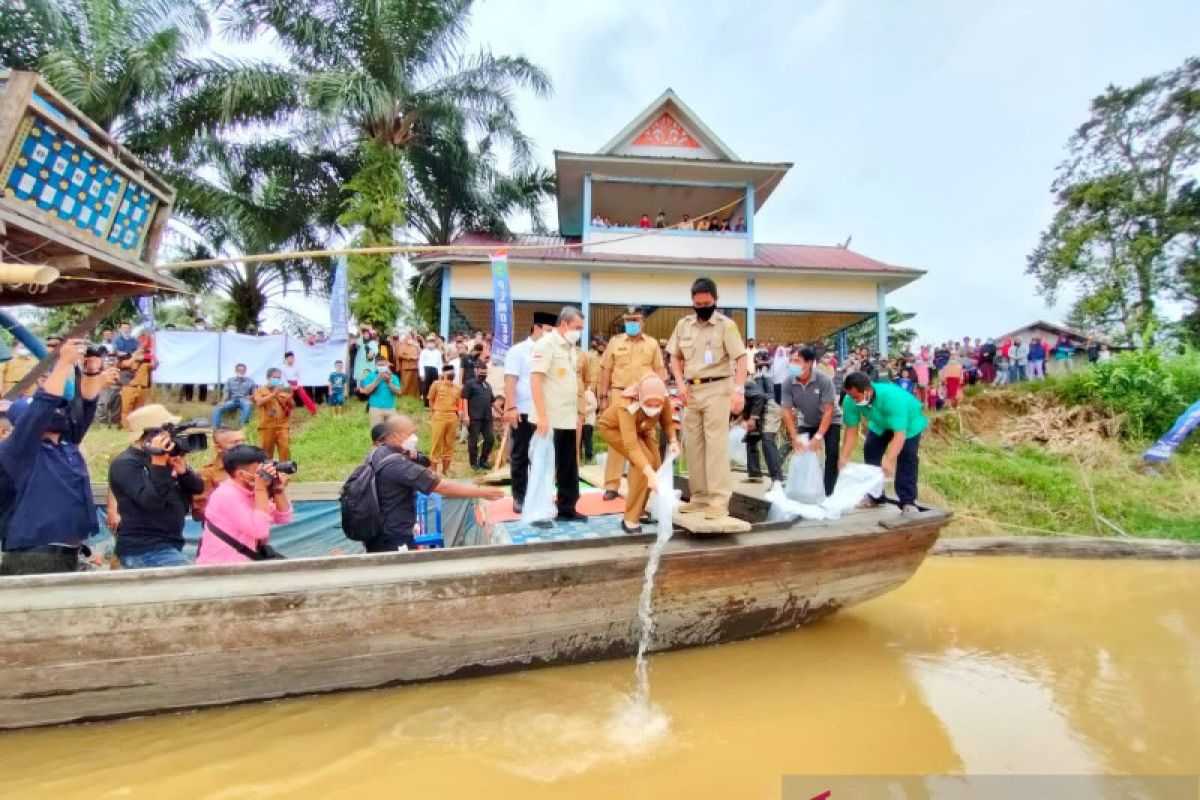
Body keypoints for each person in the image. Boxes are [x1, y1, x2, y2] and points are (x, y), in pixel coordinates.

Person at [0, 340, 116, 575]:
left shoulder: (65, 444)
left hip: (66, 554)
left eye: (60, 408)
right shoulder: (18, 451)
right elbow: (41, 409)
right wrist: (63, 363)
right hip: (33, 557)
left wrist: (91, 370)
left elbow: (84, 407)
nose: (59, 412)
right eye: (53, 410)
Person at [666, 277, 748, 520]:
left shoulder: (726, 325)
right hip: (691, 391)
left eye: (707, 302)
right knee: (694, 446)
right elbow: (674, 357)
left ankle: (718, 501)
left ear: (716, 300)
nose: (702, 307)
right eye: (698, 303)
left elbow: (741, 359)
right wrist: (679, 383)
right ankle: (699, 497)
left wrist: (738, 390)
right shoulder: (684, 325)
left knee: (715, 447)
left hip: (718, 388)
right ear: (692, 301)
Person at [362, 416, 505, 552]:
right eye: (409, 433)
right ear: (394, 436)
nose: (414, 438)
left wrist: (413, 455)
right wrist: (481, 492)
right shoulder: (398, 465)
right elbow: (442, 487)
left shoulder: (378, 454)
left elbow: (425, 460)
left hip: (377, 530)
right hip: (394, 536)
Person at [108, 404, 204, 569]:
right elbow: (151, 503)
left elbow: (197, 488)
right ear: (150, 434)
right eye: (169, 431)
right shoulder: (125, 463)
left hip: (169, 545)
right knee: (193, 583)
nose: (172, 436)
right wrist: (158, 464)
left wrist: (183, 471)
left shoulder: (165, 458)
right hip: (143, 549)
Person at [598, 306, 667, 501]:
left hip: (645, 398)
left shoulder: (652, 344)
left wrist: (660, 400)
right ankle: (612, 484)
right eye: (628, 320)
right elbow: (605, 370)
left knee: (646, 437)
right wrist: (603, 397)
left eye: (635, 320)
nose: (631, 324)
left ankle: (648, 485)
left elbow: (660, 372)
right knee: (618, 441)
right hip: (619, 394)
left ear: (642, 322)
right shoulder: (615, 342)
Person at [598, 373, 680, 533]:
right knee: (644, 463)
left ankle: (640, 510)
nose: (654, 407)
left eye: (658, 405)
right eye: (649, 403)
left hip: (642, 428)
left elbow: (668, 423)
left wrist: (673, 441)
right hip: (614, 429)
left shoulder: (663, 398)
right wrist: (649, 473)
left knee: (656, 463)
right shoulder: (627, 405)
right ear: (640, 397)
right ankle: (630, 518)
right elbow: (632, 446)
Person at [838, 371, 927, 514]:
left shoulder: (892, 398)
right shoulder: (850, 400)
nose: (853, 400)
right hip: (880, 423)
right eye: (850, 396)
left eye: (856, 397)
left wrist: (889, 460)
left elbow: (899, 434)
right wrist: (844, 456)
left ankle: (908, 501)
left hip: (909, 425)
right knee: (870, 450)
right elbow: (851, 431)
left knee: (907, 456)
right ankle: (875, 496)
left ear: (868, 390)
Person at [530, 306, 587, 524]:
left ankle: (567, 507)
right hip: (549, 418)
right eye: (576, 327)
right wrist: (542, 416)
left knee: (568, 465)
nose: (579, 332)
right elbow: (536, 380)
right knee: (544, 465)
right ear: (563, 324)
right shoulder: (546, 345)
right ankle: (538, 511)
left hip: (567, 417)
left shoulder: (570, 347)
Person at [195, 445, 293, 564]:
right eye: (258, 471)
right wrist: (261, 489)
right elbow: (259, 531)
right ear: (241, 474)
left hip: (242, 565)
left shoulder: (249, 491)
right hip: (219, 568)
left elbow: (283, 518)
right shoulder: (226, 495)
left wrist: (278, 490)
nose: (261, 475)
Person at [503, 312, 557, 513]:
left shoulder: (551, 351)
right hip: (523, 411)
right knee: (520, 455)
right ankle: (519, 497)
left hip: (544, 412)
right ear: (537, 328)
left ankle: (539, 497)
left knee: (542, 456)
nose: (551, 335)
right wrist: (511, 406)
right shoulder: (518, 351)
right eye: (548, 331)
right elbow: (510, 379)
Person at [780, 346, 842, 497]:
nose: (792, 364)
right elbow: (786, 410)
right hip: (806, 421)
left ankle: (828, 493)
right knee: (802, 452)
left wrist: (819, 437)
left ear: (808, 363)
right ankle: (803, 490)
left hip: (831, 420)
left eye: (797, 361)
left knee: (832, 454)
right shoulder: (788, 382)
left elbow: (829, 410)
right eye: (791, 360)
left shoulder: (823, 380)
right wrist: (794, 437)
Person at [741, 353, 783, 488]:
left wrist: (752, 418)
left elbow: (758, 397)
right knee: (751, 439)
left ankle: (777, 479)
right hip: (757, 410)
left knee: (767, 440)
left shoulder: (744, 384)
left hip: (769, 408)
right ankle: (754, 475)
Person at [193, 426, 245, 522]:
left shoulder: (250, 468)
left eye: (243, 441)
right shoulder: (208, 474)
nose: (242, 446)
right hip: (221, 529)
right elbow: (199, 513)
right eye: (235, 442)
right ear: (219, 448)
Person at [253, 368, 294, 461]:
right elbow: (259, 403)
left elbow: (293, 406)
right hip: (267, 426)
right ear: (268, 378)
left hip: (283, 425)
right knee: (266, 451)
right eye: (275, 377)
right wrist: (273, 394)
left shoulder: (283, 390)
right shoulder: (260, 390)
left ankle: (285, 472)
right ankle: (267, 472)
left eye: (279, 378)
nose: (277, 380)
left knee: (285, 448)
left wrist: (289, 398)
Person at [427, 364, 462, 474]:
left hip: (452, 416)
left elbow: (458, 403)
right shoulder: (436, 385)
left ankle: (446, 470)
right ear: (443, 374)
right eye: (448, 372)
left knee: (449, 443)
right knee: (436, 442)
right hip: (439, 415)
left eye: (452, 371)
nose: (451, 373)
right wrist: (435, 412)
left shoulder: (458, 388)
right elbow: (431, 400)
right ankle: (433, 470)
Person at [462, 365, 495, 470]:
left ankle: (483, 460)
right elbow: (464, 399)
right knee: (474, 441)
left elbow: (492, 402)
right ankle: (474, 463)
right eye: (481, 372)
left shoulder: (488, 385)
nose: (483, 375)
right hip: (474, 417)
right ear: (476, 372)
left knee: (490, 438)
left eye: (485, 373)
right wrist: (466, 415)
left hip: (487, 417)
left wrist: (502, 413)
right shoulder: (470, 384)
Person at [118, 342, 155, 429]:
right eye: (139, 351)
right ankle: (127, 427)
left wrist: (152, 356)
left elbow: (155, 365)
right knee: (126, 409)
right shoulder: (125, 360)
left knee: (139, 409)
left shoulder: (145, 364)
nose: (141, 353)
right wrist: (135, 355)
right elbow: (127, 364)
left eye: (142, 351)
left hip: (142, 388)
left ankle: (137, 426)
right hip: (129, 387)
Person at [361, 354, 403, 427]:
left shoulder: (393, 377)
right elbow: (367, 391)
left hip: (390, 408)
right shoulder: (370, 376)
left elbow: (399, 392)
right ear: (375, 365)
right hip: (375, 409)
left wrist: (389, 383)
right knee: (377, 434)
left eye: (383, 365)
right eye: (379, 365)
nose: (381, 367)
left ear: (387, 365)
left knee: (390, 434)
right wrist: (377, 379)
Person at [212, 362, 256, 428]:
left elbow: (254, 394)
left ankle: (243, 427)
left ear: (245, 371)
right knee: (217, 408)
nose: (241, 372)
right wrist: (223, 401)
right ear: (236, 371)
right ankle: (216, 427)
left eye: (243, 370)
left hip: (244, 400)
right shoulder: (230, 380)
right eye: (239, 370)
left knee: (247, 407)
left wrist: (250, 397)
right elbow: (226, 392)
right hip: (232, 400)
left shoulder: (251, 381)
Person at [418, 336, 442, 405]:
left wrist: (440, 373)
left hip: (435, 370)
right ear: (427, 342)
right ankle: (426, 403)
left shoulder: (438, 352)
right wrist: (422, 374)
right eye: (429, 341)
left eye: (432, 342)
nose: (431, 343)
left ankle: (433, 402)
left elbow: (440, 364)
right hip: (426, 370)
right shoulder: (423, 352)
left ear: (434, 343)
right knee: (426, 387)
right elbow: (421, 363)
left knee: (434, 386)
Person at [397, 334, 422, 399]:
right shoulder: (402, 346)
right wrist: (410, 357)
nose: (410, 340)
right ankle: (404, 395)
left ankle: (414, 397)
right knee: (406, 382)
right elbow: (400, 355)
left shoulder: (415, 346)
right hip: (406, 367)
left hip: (415, 367)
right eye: (408, 339)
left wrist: (417, 346)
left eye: (411, 338)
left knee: (414, 383)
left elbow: (420, 353)